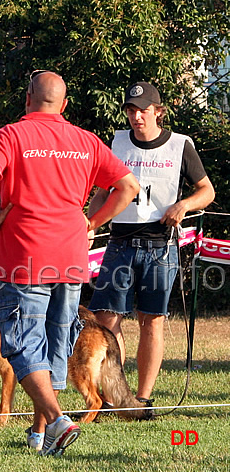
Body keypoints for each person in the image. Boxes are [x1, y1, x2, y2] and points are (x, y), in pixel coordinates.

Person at [0, 71, 139, 456]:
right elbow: (128, 186)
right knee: (56, 343)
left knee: (21, 345)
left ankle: (58, 420)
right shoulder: (85, 140)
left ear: (28, 97)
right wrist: (91, 221)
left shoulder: (12, 135)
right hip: (70, 257)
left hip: (24, 256)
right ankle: (40, 432)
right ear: (64, 105)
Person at [88, 82, 215, 406]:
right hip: (119, 243)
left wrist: (183, 206)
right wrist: (89, 224)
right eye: (131, 110)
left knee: (151, 320)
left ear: (158, 112)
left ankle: (143, 398)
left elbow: (207, 191)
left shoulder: (179, 145)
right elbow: (102, 191)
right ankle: (117, 395)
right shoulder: (117, 143)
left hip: (161, 246)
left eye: (142, 110)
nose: (136, 116)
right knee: (106, 318)